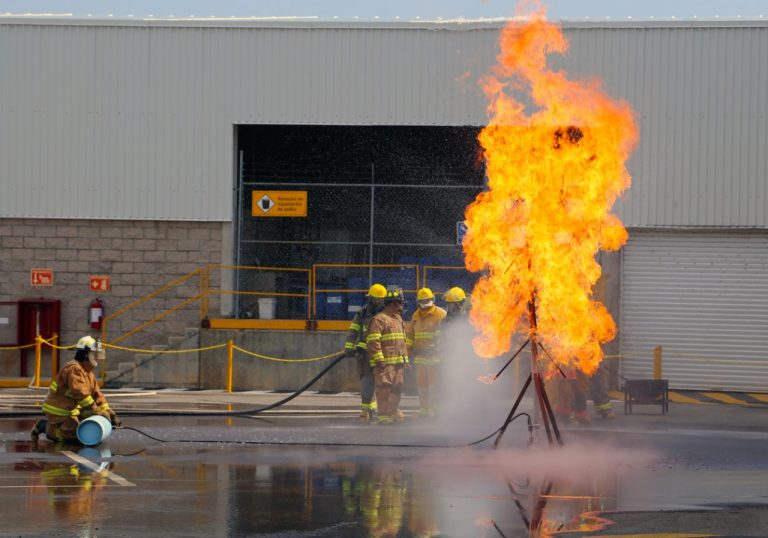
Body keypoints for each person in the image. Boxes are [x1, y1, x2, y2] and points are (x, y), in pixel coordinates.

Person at [30, 336, 121, 443]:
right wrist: (99, 413)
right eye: (94, 354)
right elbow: (81, 395)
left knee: (86, 427)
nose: (97, 357)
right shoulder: (74, 369)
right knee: (76, 435)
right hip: (59, 411)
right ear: (86, 354)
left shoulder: (88, 373)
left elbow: (97, 395)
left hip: (73, 410)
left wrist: (110, 413)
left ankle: (66, 425)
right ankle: (43, 426)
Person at [344, 283, 387, 423]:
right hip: (365, 356)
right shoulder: (363, 312)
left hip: (382, 356)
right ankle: (366, 410)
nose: (377, 302)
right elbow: (353, 330)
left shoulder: (388, 314)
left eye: (379, 299)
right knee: (367, 382)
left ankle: (386, 412)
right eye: (375, 298)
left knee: (383, 384)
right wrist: (350, 347)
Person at [366, 288, 409, 425]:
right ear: (393, 304)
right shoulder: (379, 320)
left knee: (397, 388)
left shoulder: (398, 319)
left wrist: (405, 360)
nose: (402, 306)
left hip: (398, 363)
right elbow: (373, 341)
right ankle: (384, 416)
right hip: (385, 364)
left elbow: (403, 341)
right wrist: (379, 360)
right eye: (400, 303)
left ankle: (392, 411)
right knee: (384, 389)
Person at [406, 287, 446, 417]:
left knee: (434, 386)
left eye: (427, 300)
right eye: (423, 300)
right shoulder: (416, 315)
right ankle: (424, 411)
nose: (425, 302)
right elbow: (410, 336)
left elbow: (444, 336)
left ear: (433, 299)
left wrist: (435, 349)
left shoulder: (440, 314)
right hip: (420, 358)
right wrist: (408, 353)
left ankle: (435, 410)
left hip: (435, 358)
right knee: (422, 386)